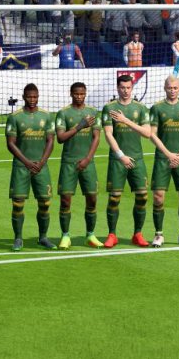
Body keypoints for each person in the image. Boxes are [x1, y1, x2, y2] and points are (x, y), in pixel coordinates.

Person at [103, 73, 154, 248]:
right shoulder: (109, 108)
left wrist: (125, 120)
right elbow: (108, 134)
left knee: (142, 196)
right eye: (122, 88)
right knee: (114, 197)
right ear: (117, 88)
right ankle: (112, 235)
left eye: (128, 88)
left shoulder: (140, 108)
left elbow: (147, 133)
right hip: (118, 160)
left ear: (132, 88)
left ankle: (137, 234)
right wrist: (121, 155)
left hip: (137, 158)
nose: (125, 91)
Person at [5, 83, 57, 251]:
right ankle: (18, 238)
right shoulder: (15, 117)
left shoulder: (46, 116)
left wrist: (41, 162)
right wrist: (27, 162)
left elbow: (50, 141)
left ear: (38, 97)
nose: (32, 100)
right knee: (18, 203)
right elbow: (10, 144)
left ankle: (43, 237)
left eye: (35, 97)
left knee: (45, 202)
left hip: (41, 167)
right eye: (29, 97)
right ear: (23, 97)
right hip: (21, 167)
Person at [146, 76, 179, 246]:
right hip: (163, 158)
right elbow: (152, 134)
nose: (173, 91)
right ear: (164, 88)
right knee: (158, 197)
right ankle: (158, 234)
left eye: (175, 88)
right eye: (170, 88)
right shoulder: (157, 108)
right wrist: (169, 154)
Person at [54, 82, 102, 249]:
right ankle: (65, 236)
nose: (79, 96)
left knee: (92, 199)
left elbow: (96, 137)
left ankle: (90, 235)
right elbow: (60, 138)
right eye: (76, 93)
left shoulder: (93, 112)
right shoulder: (63, 113)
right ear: (71, 94)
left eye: (82, 94)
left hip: (87, 163)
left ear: (85, 94)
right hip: (69, 163)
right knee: (65, 200)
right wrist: (80, 126)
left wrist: (88, 159)